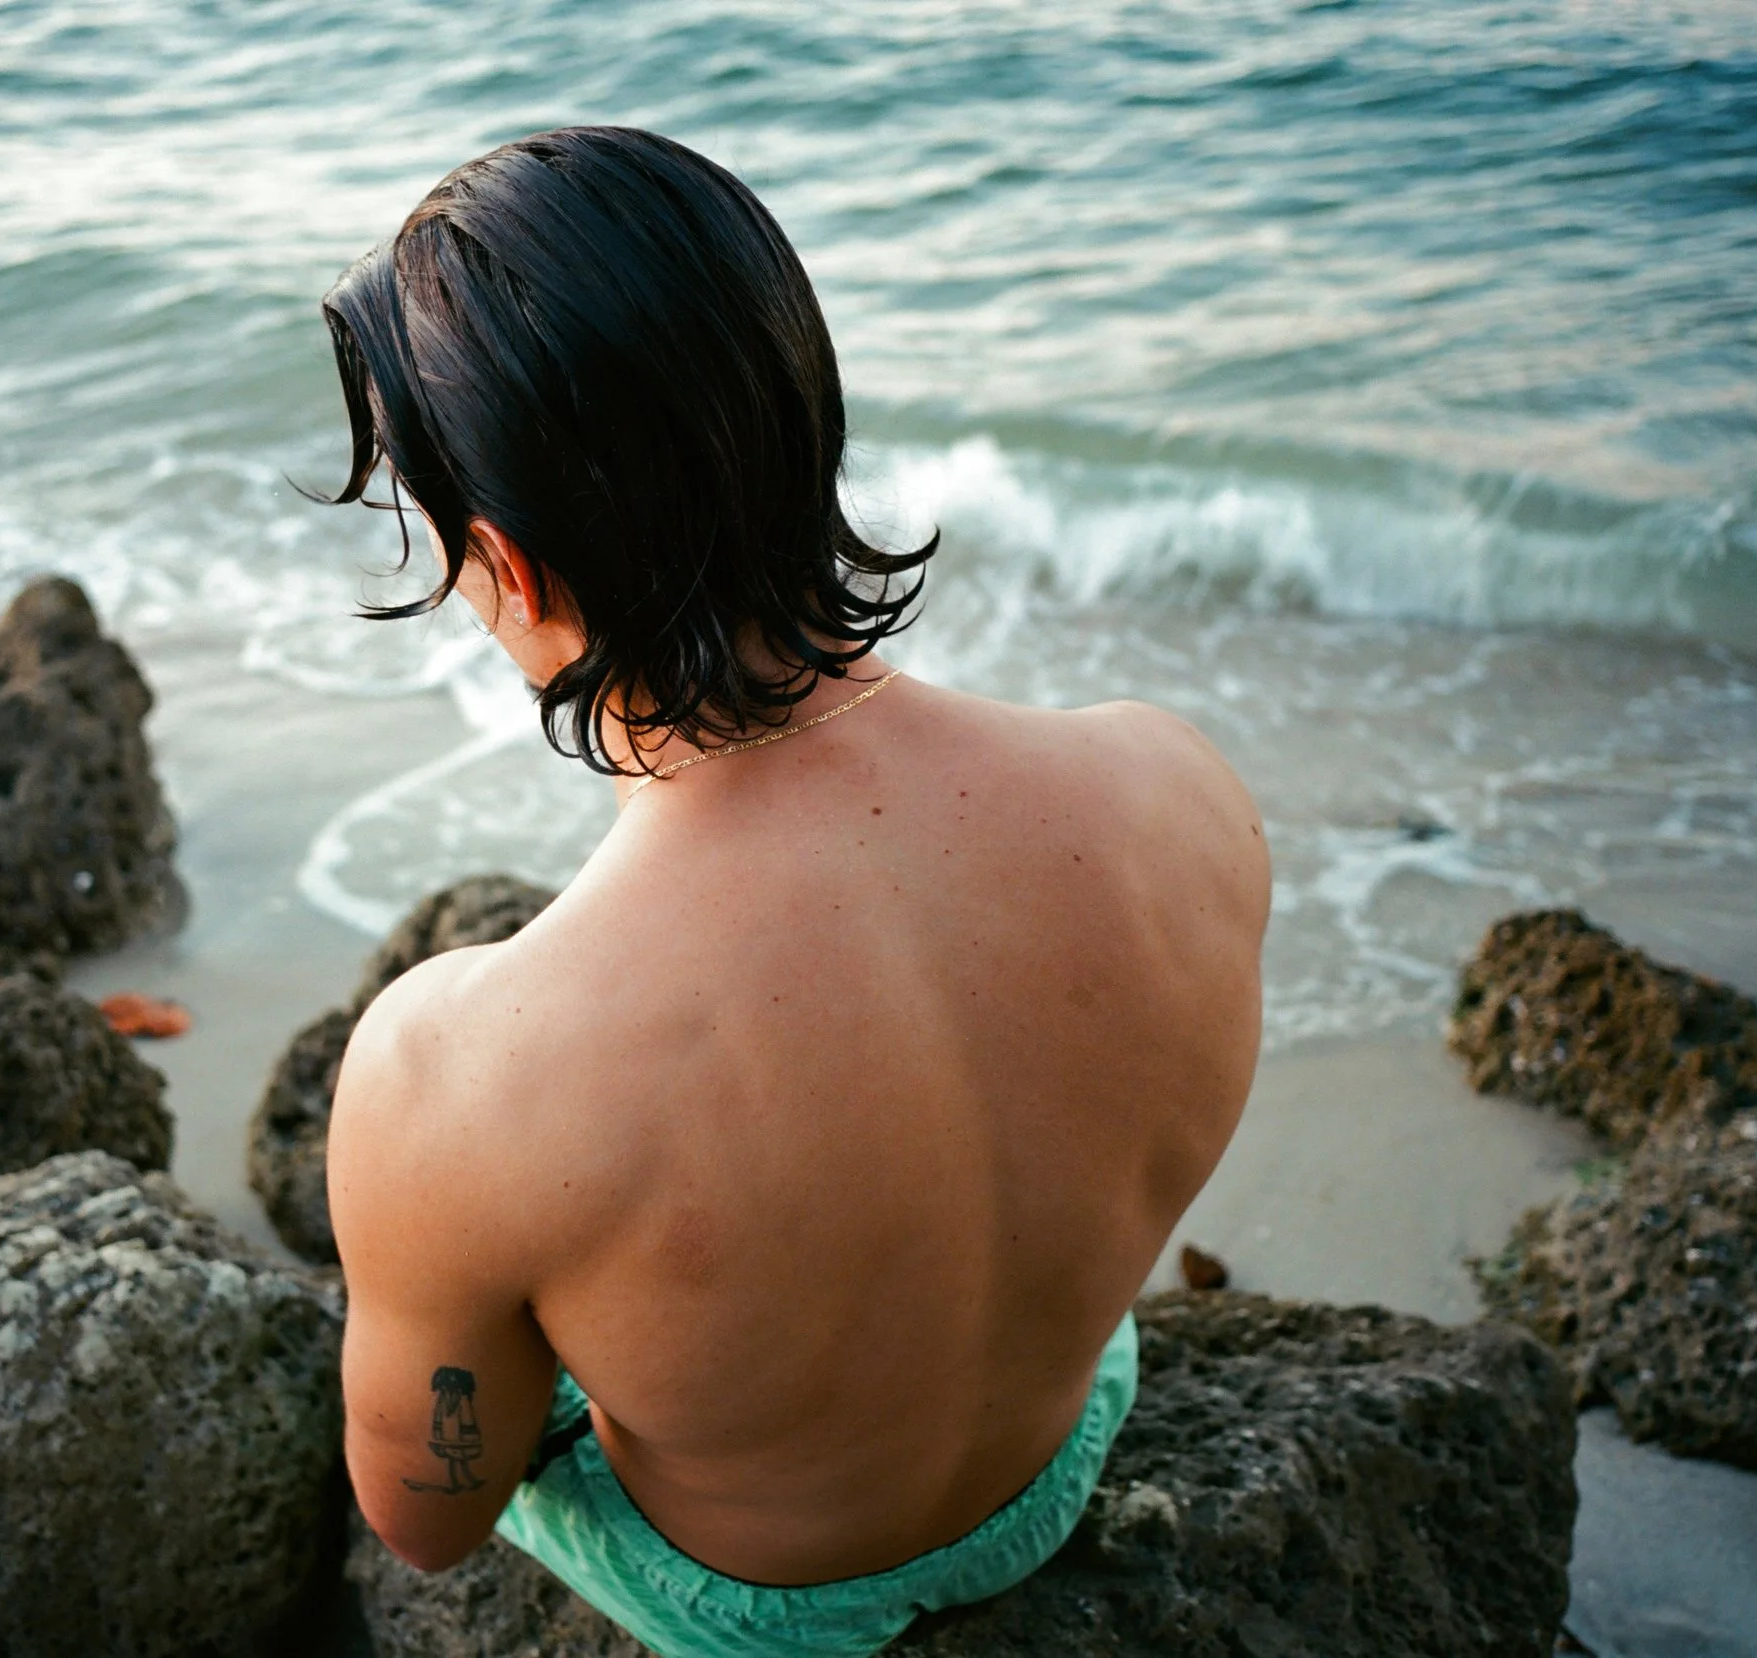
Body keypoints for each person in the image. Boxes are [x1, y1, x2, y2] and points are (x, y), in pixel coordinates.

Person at [316, 127, 1267, 1658]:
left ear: (512, 565)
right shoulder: (1174, 789)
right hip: (1053, 1466)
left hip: (767, 1598)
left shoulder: (454, 1076)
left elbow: (424, 1520)